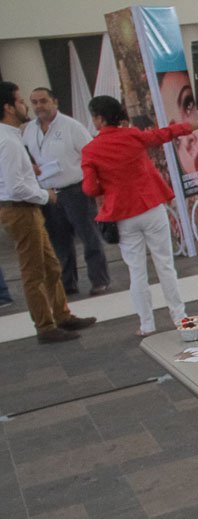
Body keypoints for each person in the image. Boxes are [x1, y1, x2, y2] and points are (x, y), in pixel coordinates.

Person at [81, 95, 198, 337]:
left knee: (137, 271)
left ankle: (147, 324)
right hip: (151, 206)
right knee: (165, 265)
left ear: (99, 119)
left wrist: (106, 188)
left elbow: (89, 189)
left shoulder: (90, 150)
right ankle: (179, 316)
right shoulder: (133, 135)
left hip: (122, 214)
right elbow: (166, 133)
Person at [0, 82, 96, 343]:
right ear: (9, 108)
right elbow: (16, 187)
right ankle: (45, 326)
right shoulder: (8, 141)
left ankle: (61, 315)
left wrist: (29, 171)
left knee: (51, 265)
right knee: (34, 271)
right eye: (21, 101)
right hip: (20, 210)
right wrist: (46, 195)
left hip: (23, 208)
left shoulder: (12, 136)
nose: (26, 106)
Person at [22, 87, 111, 297]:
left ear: (55, 102)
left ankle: (99, 280)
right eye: (34, 102)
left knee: (89, 237)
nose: (39, 106)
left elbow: (91, 154)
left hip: (75, 190)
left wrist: (97, 188)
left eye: (43, 101)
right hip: (48, 192)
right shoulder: (30, 130)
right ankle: (67, 283)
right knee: (59, 241)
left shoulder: (71, 126)